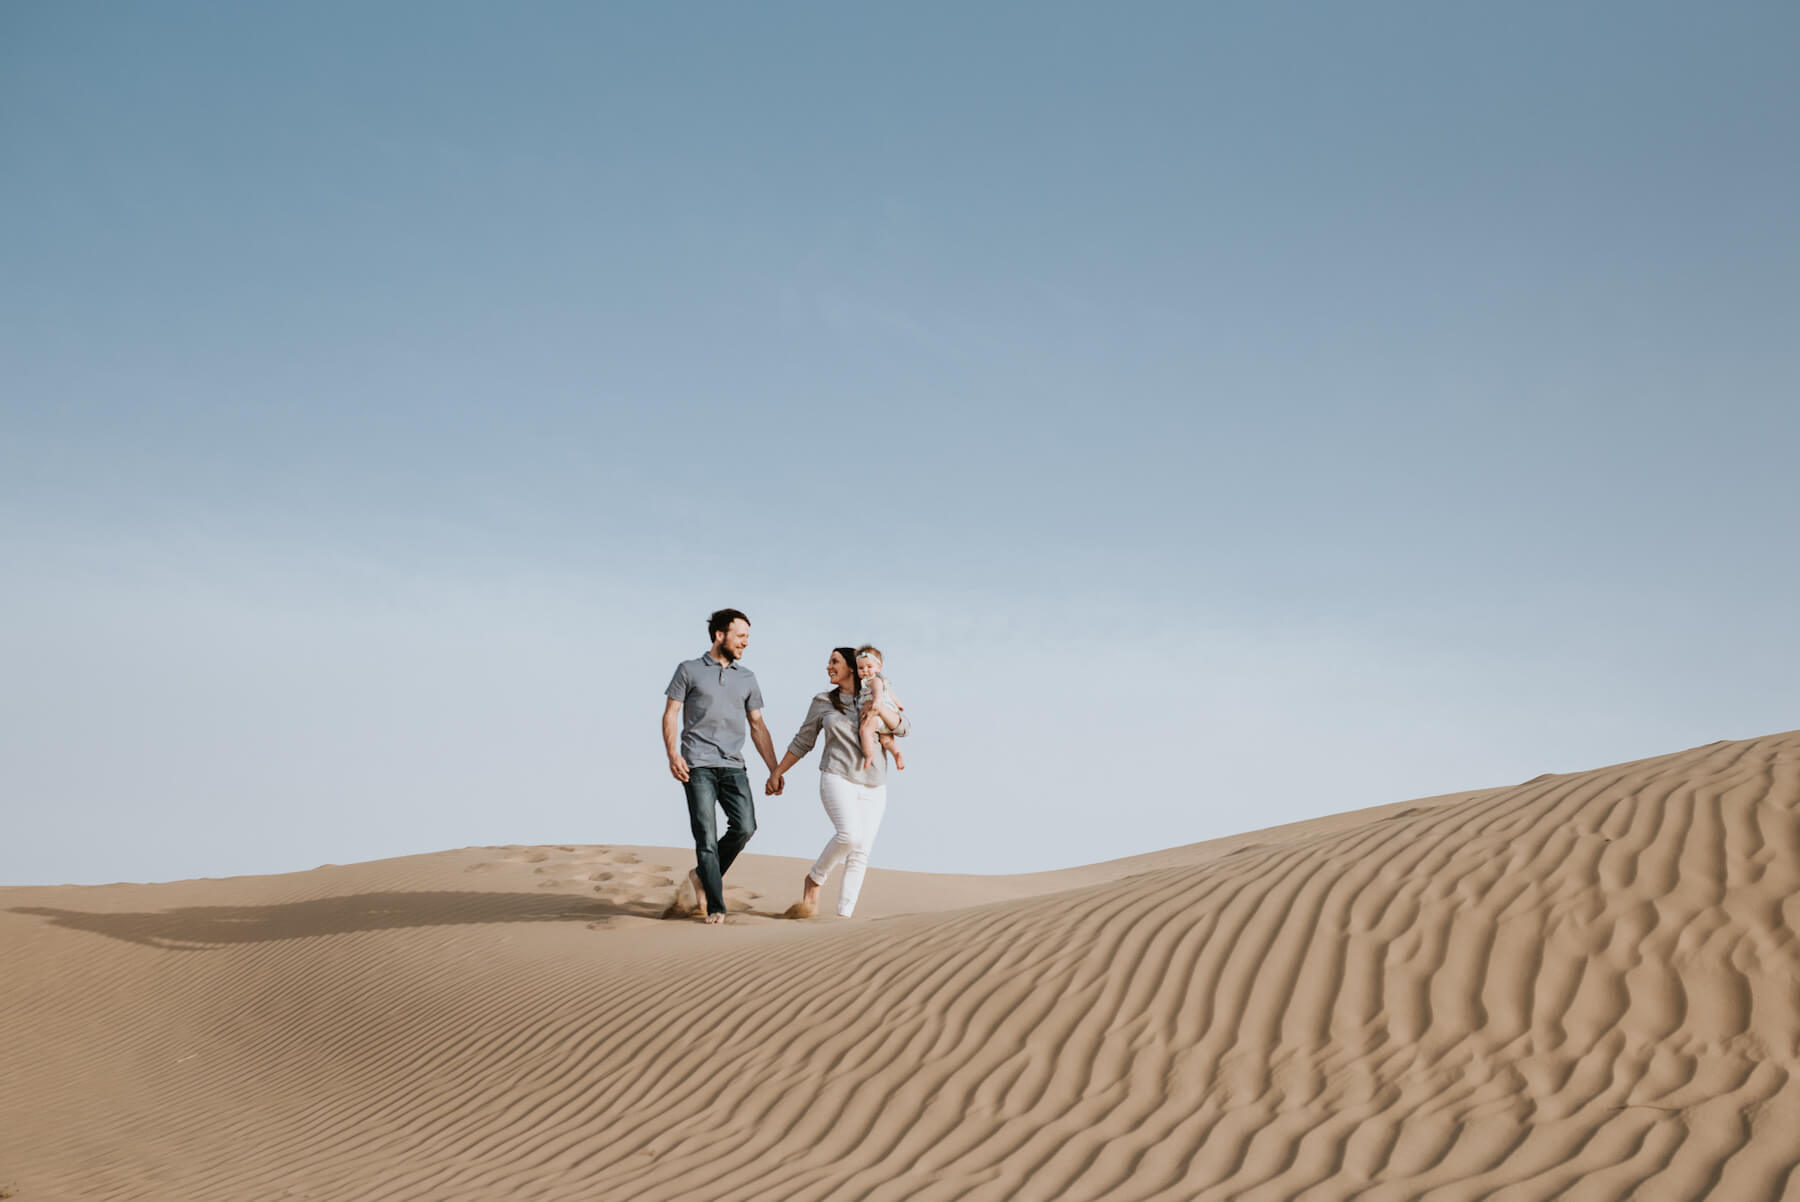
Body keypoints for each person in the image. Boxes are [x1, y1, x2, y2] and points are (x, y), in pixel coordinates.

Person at [769, 646, 910, 919]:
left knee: (861, 853)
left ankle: (843, 918)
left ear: (850, 667)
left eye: (834, 662)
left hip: (875, 783)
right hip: (837, 775)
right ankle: (815, 879)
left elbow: (903, 728)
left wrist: (879, 708)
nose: (828, 667)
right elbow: (803, 741)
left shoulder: (873, 694)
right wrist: (777, 771)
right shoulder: (823, 701)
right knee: (849, 835)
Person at [662, 608, 781, 924]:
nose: (745, 643)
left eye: (747, 637)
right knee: (706, 834)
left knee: (745, 827)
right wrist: (673, 755)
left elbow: (757, 724)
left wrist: (774, 768)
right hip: (697, 764)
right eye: (740, 636)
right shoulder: (688, 670)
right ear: (720, 635)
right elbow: (671, 713)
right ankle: (715, 905)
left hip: (732, 765)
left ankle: (701, 876)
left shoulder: (747, 678)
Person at [854, 644, 906, 772]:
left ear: (879, 667)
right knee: (887, 740)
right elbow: (891, 695)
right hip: (888, 715)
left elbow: (877, 689)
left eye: (869, 666)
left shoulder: (872, 680)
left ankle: (869, 754)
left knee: (865, 731)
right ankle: (897, 754)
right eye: (861, 668)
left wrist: (876, 701)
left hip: (877, 712)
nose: (865, 670)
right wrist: (898, 704)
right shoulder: (885, 682)